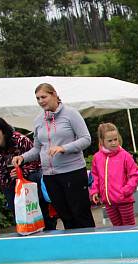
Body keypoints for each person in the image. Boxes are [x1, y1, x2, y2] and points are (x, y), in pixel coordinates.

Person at [11, 83, 93, 229]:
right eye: (37, 98)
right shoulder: (38, 120)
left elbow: (86, 139)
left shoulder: (71, 114)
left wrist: (63, 148)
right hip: (50, 176)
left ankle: (92, 247)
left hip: (73, 172)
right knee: (64, 215)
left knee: (80, 214)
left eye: (44, 97)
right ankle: (73, 248)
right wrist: (22, 158)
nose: (41, 101)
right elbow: (37, 148)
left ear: (54, 94)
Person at [0, 117, 57, 234]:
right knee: (20, 215)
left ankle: (49, 232)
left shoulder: (20, 139)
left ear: (3, 132)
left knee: (40, 210)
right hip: (9, 184)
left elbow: (38, 159)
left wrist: (22, 171)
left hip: (30, 180)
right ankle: (27, 239)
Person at [89, 123, 138, 227]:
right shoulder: (97, 157)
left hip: (124, 201)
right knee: (117, 228)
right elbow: (94, 176)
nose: (113, 143)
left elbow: (135, 175)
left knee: (129, 227)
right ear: (102, 141)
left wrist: (125, 190)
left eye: (115, 139)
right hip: (109, 202)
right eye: (110, 140)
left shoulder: (125, 155)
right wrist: (94, 191)